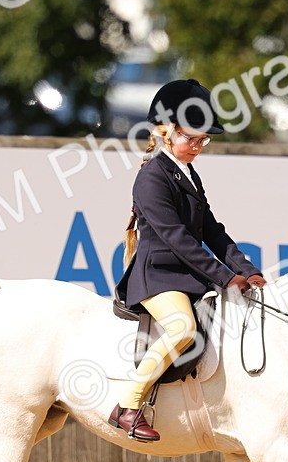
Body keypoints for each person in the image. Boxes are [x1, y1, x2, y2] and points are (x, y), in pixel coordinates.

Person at [110, 79, 265, 441]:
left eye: (203, 141)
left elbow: (212, 230)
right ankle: (128, 406)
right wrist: (226, 278)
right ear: (166, 132)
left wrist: (247, 269)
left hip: (186, 276)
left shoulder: (189, 174)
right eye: (190, 138)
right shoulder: (152, 177)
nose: (196, 147)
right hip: (158, 277)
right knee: (183, 328)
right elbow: (177, 239)